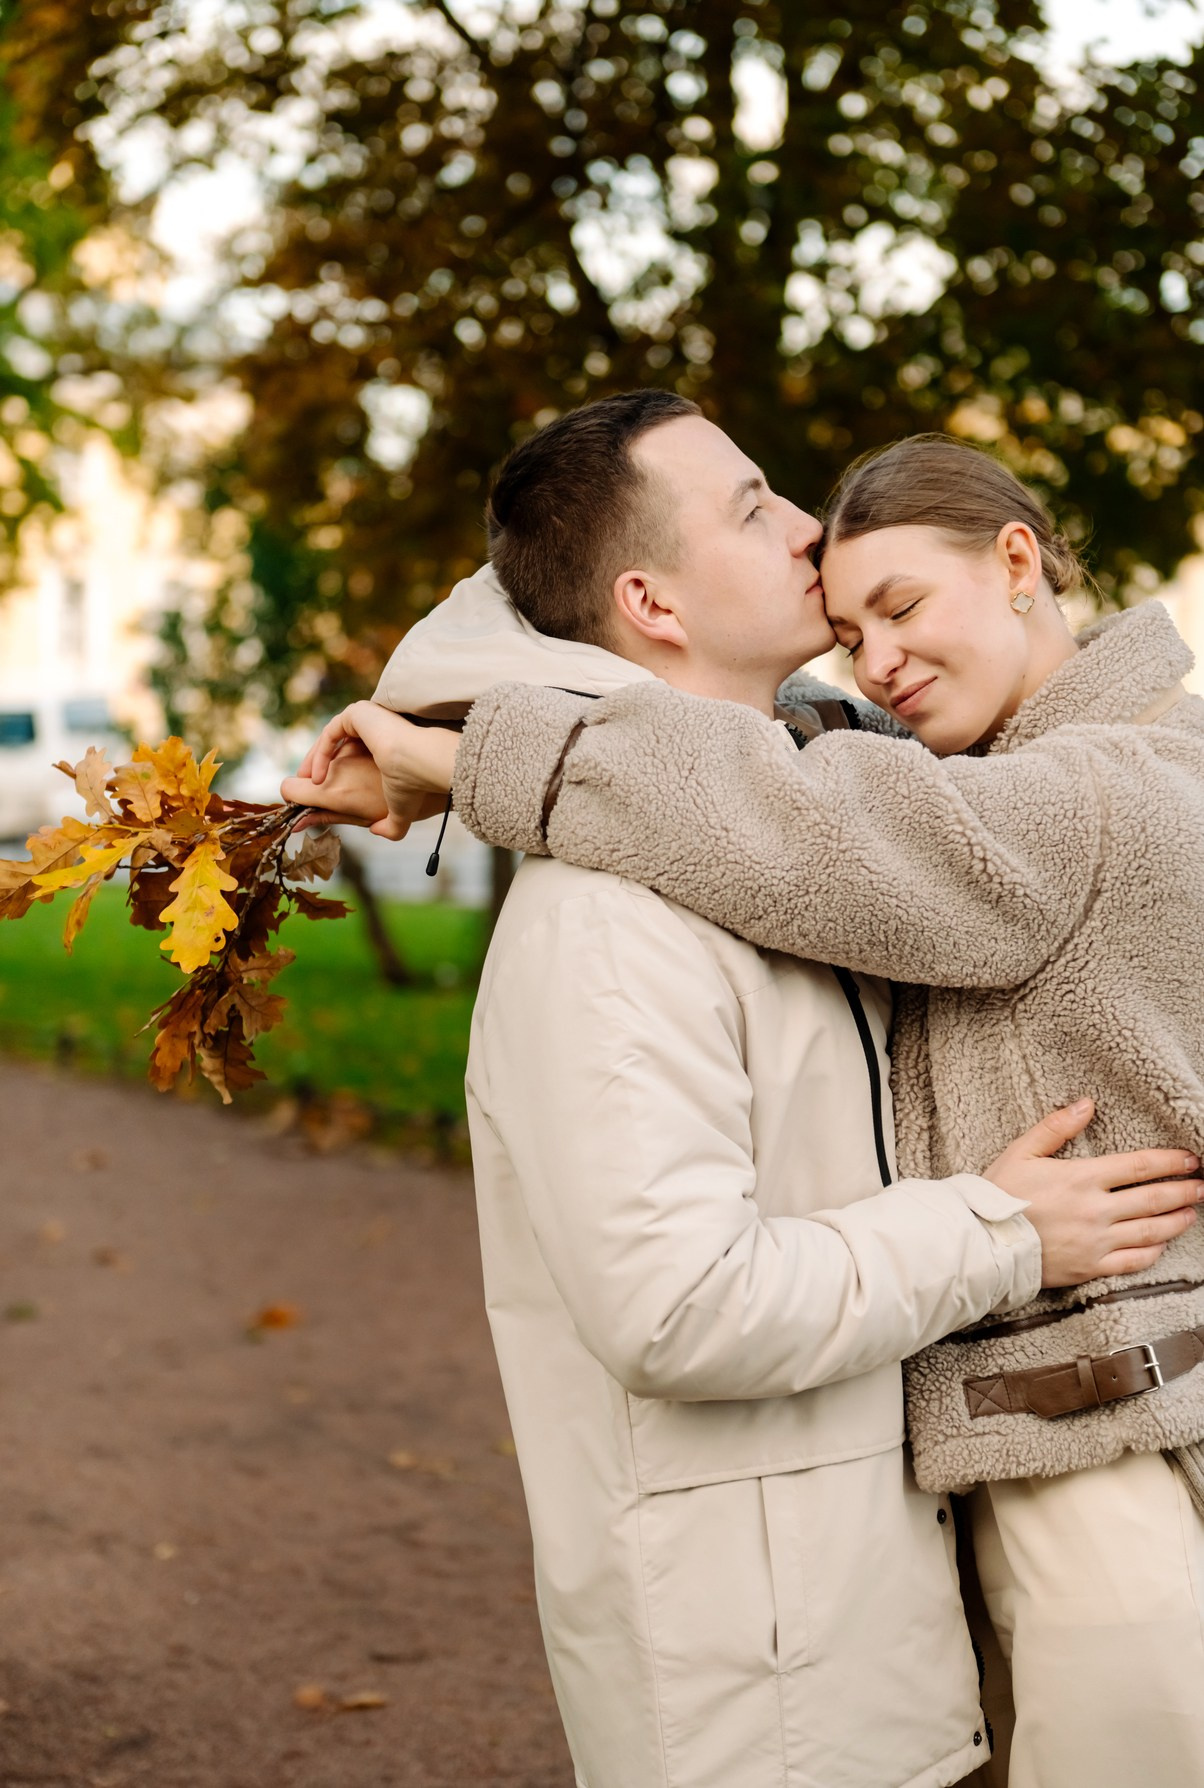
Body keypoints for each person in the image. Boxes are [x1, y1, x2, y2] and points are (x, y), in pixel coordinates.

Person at [283, 396, 1201, 1788]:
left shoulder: (1060, 793)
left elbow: (807, 813)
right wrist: (1002, 1231)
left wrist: (462, 757)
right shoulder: (617, 913)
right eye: (755, 503)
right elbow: (678, 1301)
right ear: (650, 601)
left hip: (989, 1529)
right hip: (767, 1656)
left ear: (1020, 561)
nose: (806, 531)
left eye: (901, 602)